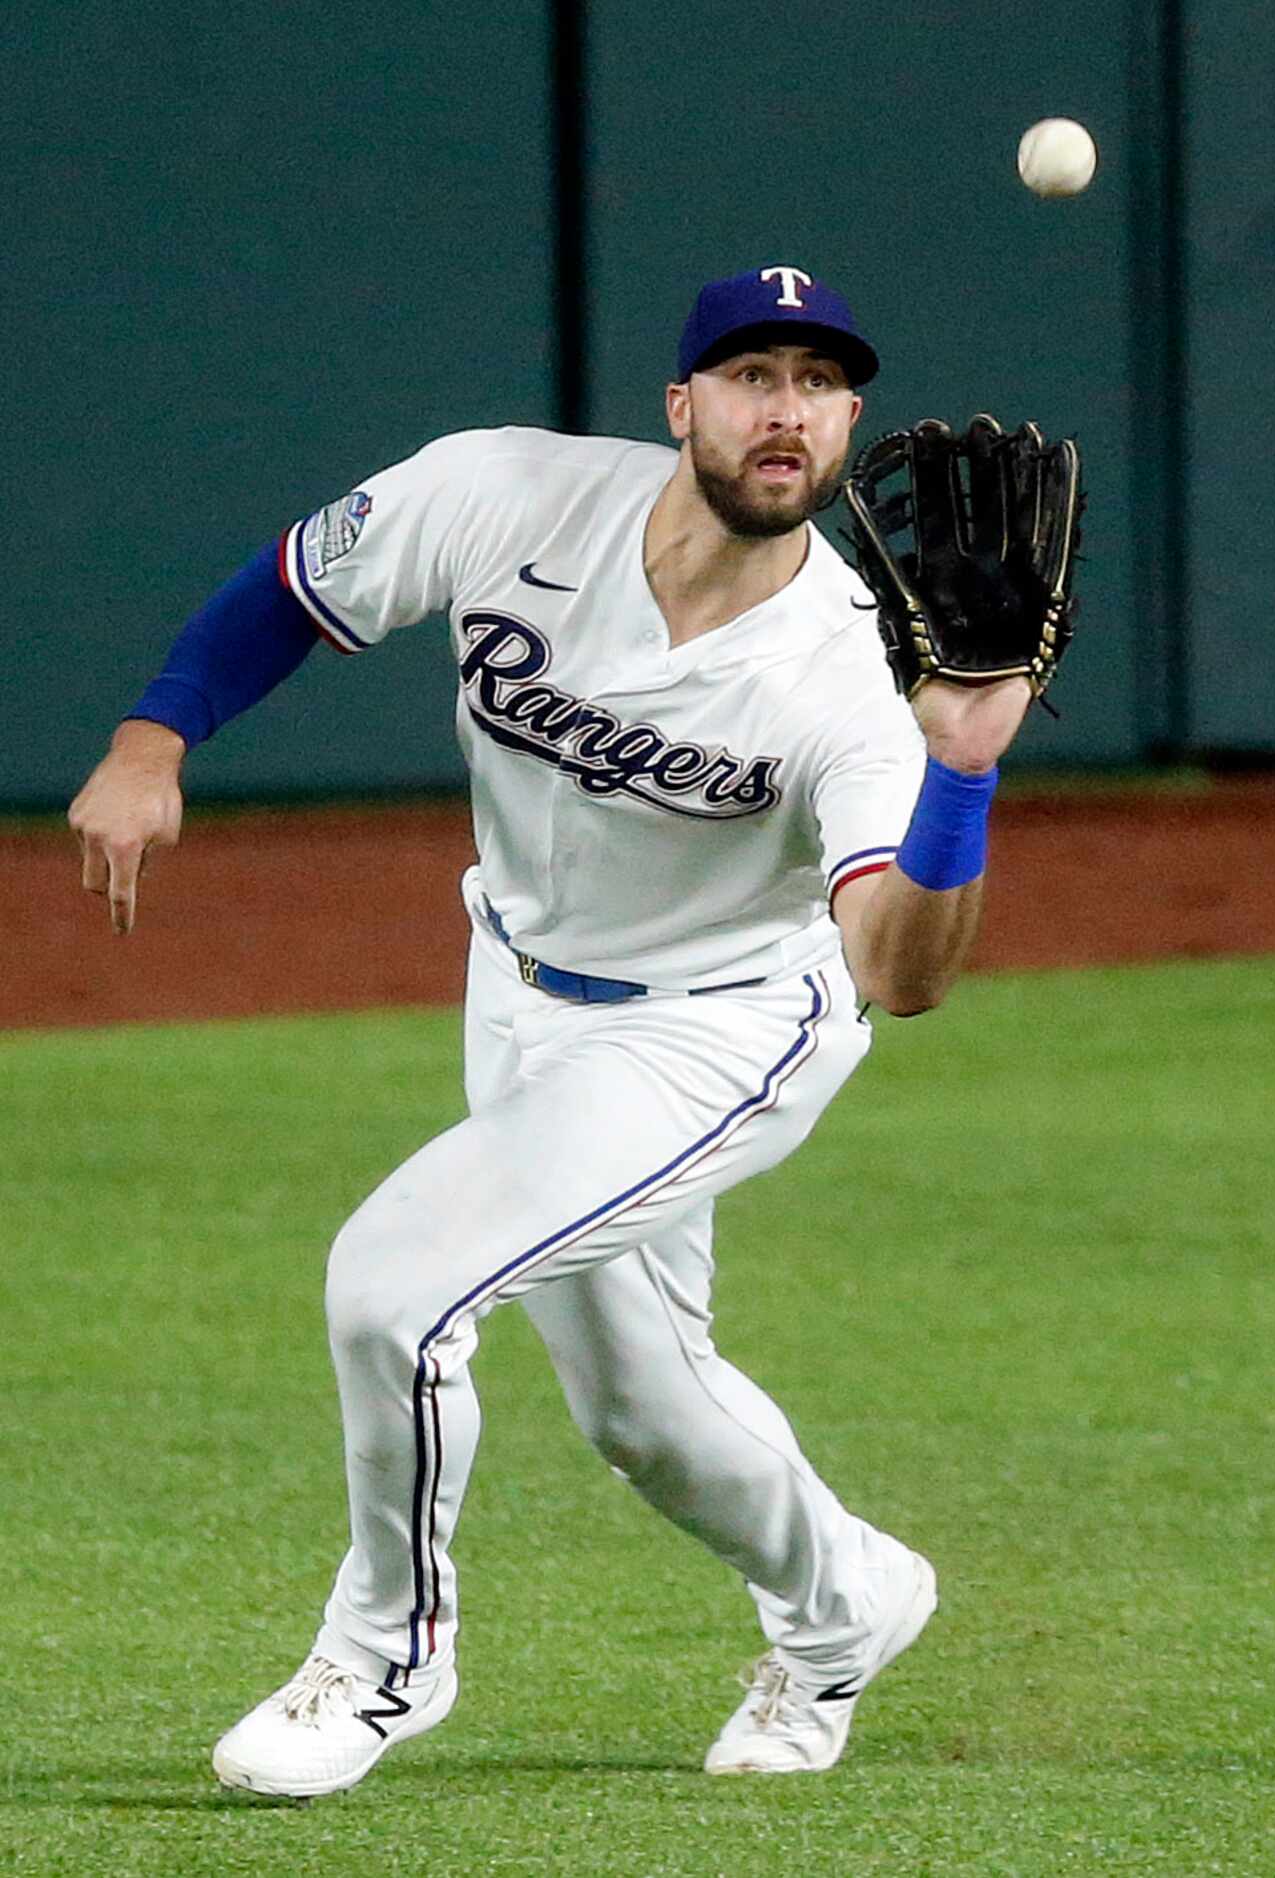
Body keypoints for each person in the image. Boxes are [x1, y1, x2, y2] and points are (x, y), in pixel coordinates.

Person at [70, 265, 1032, 1797]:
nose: (783, 407)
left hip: (716, 1026)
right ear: (681, 404)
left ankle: (387, 1656)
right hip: (517, 979)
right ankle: (847, 1602)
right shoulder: (506, 491)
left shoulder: (849, 673)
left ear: (847, 420)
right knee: (646, 1414)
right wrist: (153, 735)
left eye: (817, 381)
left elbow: (900, 975)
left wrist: (961, 772)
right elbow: (292, 590)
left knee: (393, 1285)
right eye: (750, 372)